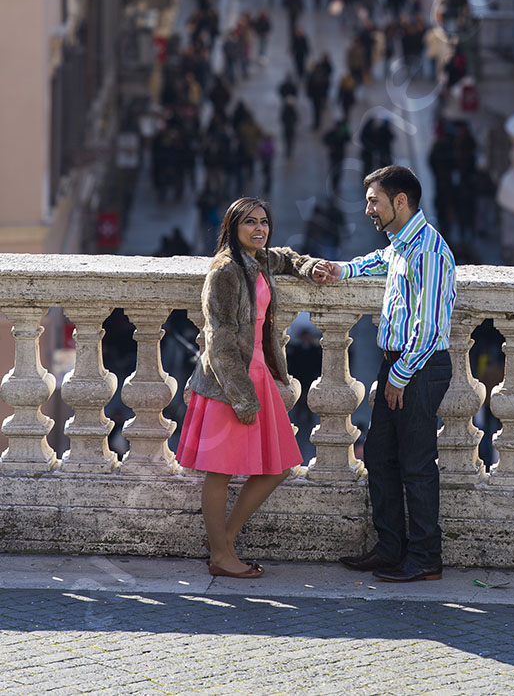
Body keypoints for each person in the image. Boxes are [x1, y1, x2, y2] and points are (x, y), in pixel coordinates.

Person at [313, 166, 456, 583]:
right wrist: (342, 270)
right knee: (380, 456)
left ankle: (426, 556)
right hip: (399, 363)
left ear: (401, 201)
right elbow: (377, 261)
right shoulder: (401, 245)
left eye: (374, 201)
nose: (367, 209)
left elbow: (429, 327)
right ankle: (391, 548)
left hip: (418, 366)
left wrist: (400, 375)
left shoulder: (427, 250)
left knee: (416, 464)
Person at [176, 198, 329, 578]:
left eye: (264, 223)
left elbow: (286, 257)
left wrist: (310, 266)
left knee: (278, 466)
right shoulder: (226, 271)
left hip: (257, 371)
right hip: (232, 382)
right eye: (250, 222)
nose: (259, 229)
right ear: (232, 227)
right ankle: (222, 555)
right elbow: (219, 339)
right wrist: (241, 396)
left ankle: (222, 544)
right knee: (219, 471)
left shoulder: (257, 259)